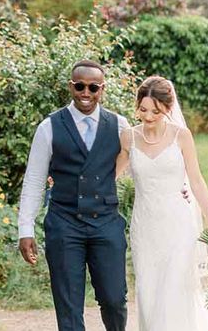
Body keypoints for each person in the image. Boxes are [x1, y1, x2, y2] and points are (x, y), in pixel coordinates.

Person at [17, 59, 130, 331]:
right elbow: (34, 180)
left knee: (115, 301)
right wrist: (25, 228)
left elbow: (140, 166)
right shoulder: (49, 127)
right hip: (64, 224)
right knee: (68, 308)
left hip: (106, 223)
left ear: (102, 89)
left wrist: (177, 188)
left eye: (93, 87)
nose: (86, 93)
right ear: (71, 86)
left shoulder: (119, 125)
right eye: (80, 86)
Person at [116, 75, 208, 331]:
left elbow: (196, 181)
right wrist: (65, 179)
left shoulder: (181, 136)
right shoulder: (128, 138)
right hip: (145, 228)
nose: (149, 116)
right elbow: (108, 177)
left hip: (178, 226)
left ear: (168, 108)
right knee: (149, 292)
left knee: (175, 292)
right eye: (143, 110)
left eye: (156, 111)